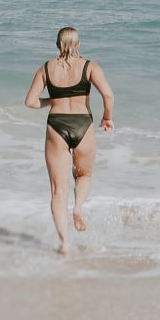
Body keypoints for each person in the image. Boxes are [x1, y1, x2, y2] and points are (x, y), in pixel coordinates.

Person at [24, 26, 114, 253]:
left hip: (56, 126)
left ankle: (64, 243)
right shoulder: (89, 66)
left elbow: (30, 102)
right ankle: (78, 208)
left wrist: (52, 101)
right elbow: (108, 94)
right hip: (83, 124)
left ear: (57, 44)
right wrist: (107, 118)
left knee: (57, 190)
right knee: (84, 175)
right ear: (79, 44)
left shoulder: (46, 68)